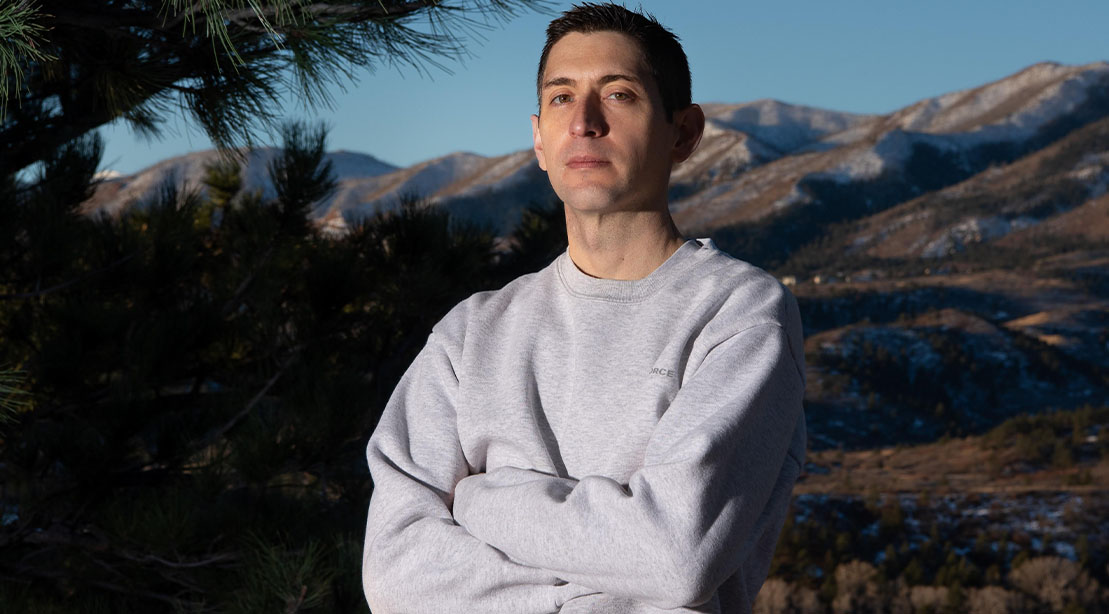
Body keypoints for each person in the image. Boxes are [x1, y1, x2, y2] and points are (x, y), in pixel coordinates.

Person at [361, 3, 806, 613]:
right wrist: (606, 580)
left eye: (619, 94)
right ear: (539, 137)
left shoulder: (738, 312)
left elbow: (673, 558)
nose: (585, 122)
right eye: (562, 98)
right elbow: (394, 573)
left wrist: (482, 500)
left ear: (684, 133)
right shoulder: (470, 333)